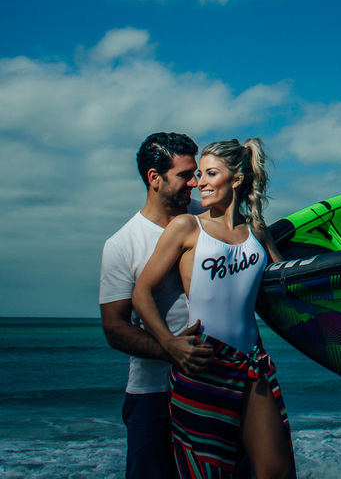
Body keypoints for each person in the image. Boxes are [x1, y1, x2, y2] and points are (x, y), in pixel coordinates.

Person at [133, 138, 295, 479]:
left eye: (210, 173)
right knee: (207, 472)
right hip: (203, 362)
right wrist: (168, 341)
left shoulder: (257, 232)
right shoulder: (187, 227)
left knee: (277, 471)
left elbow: (288, 289)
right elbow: (142, 292)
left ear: (236, 179)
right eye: (198, 174)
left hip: (252, 362)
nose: (199, 182)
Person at [100, 132, 214, 479]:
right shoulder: (122, 244)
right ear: (154, 178)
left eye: (196, 173)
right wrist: (171, 348)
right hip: (153, 393)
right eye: (184, 175)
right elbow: (115, 327)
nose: (195, 183)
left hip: (214, 381)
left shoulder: (207, 220)